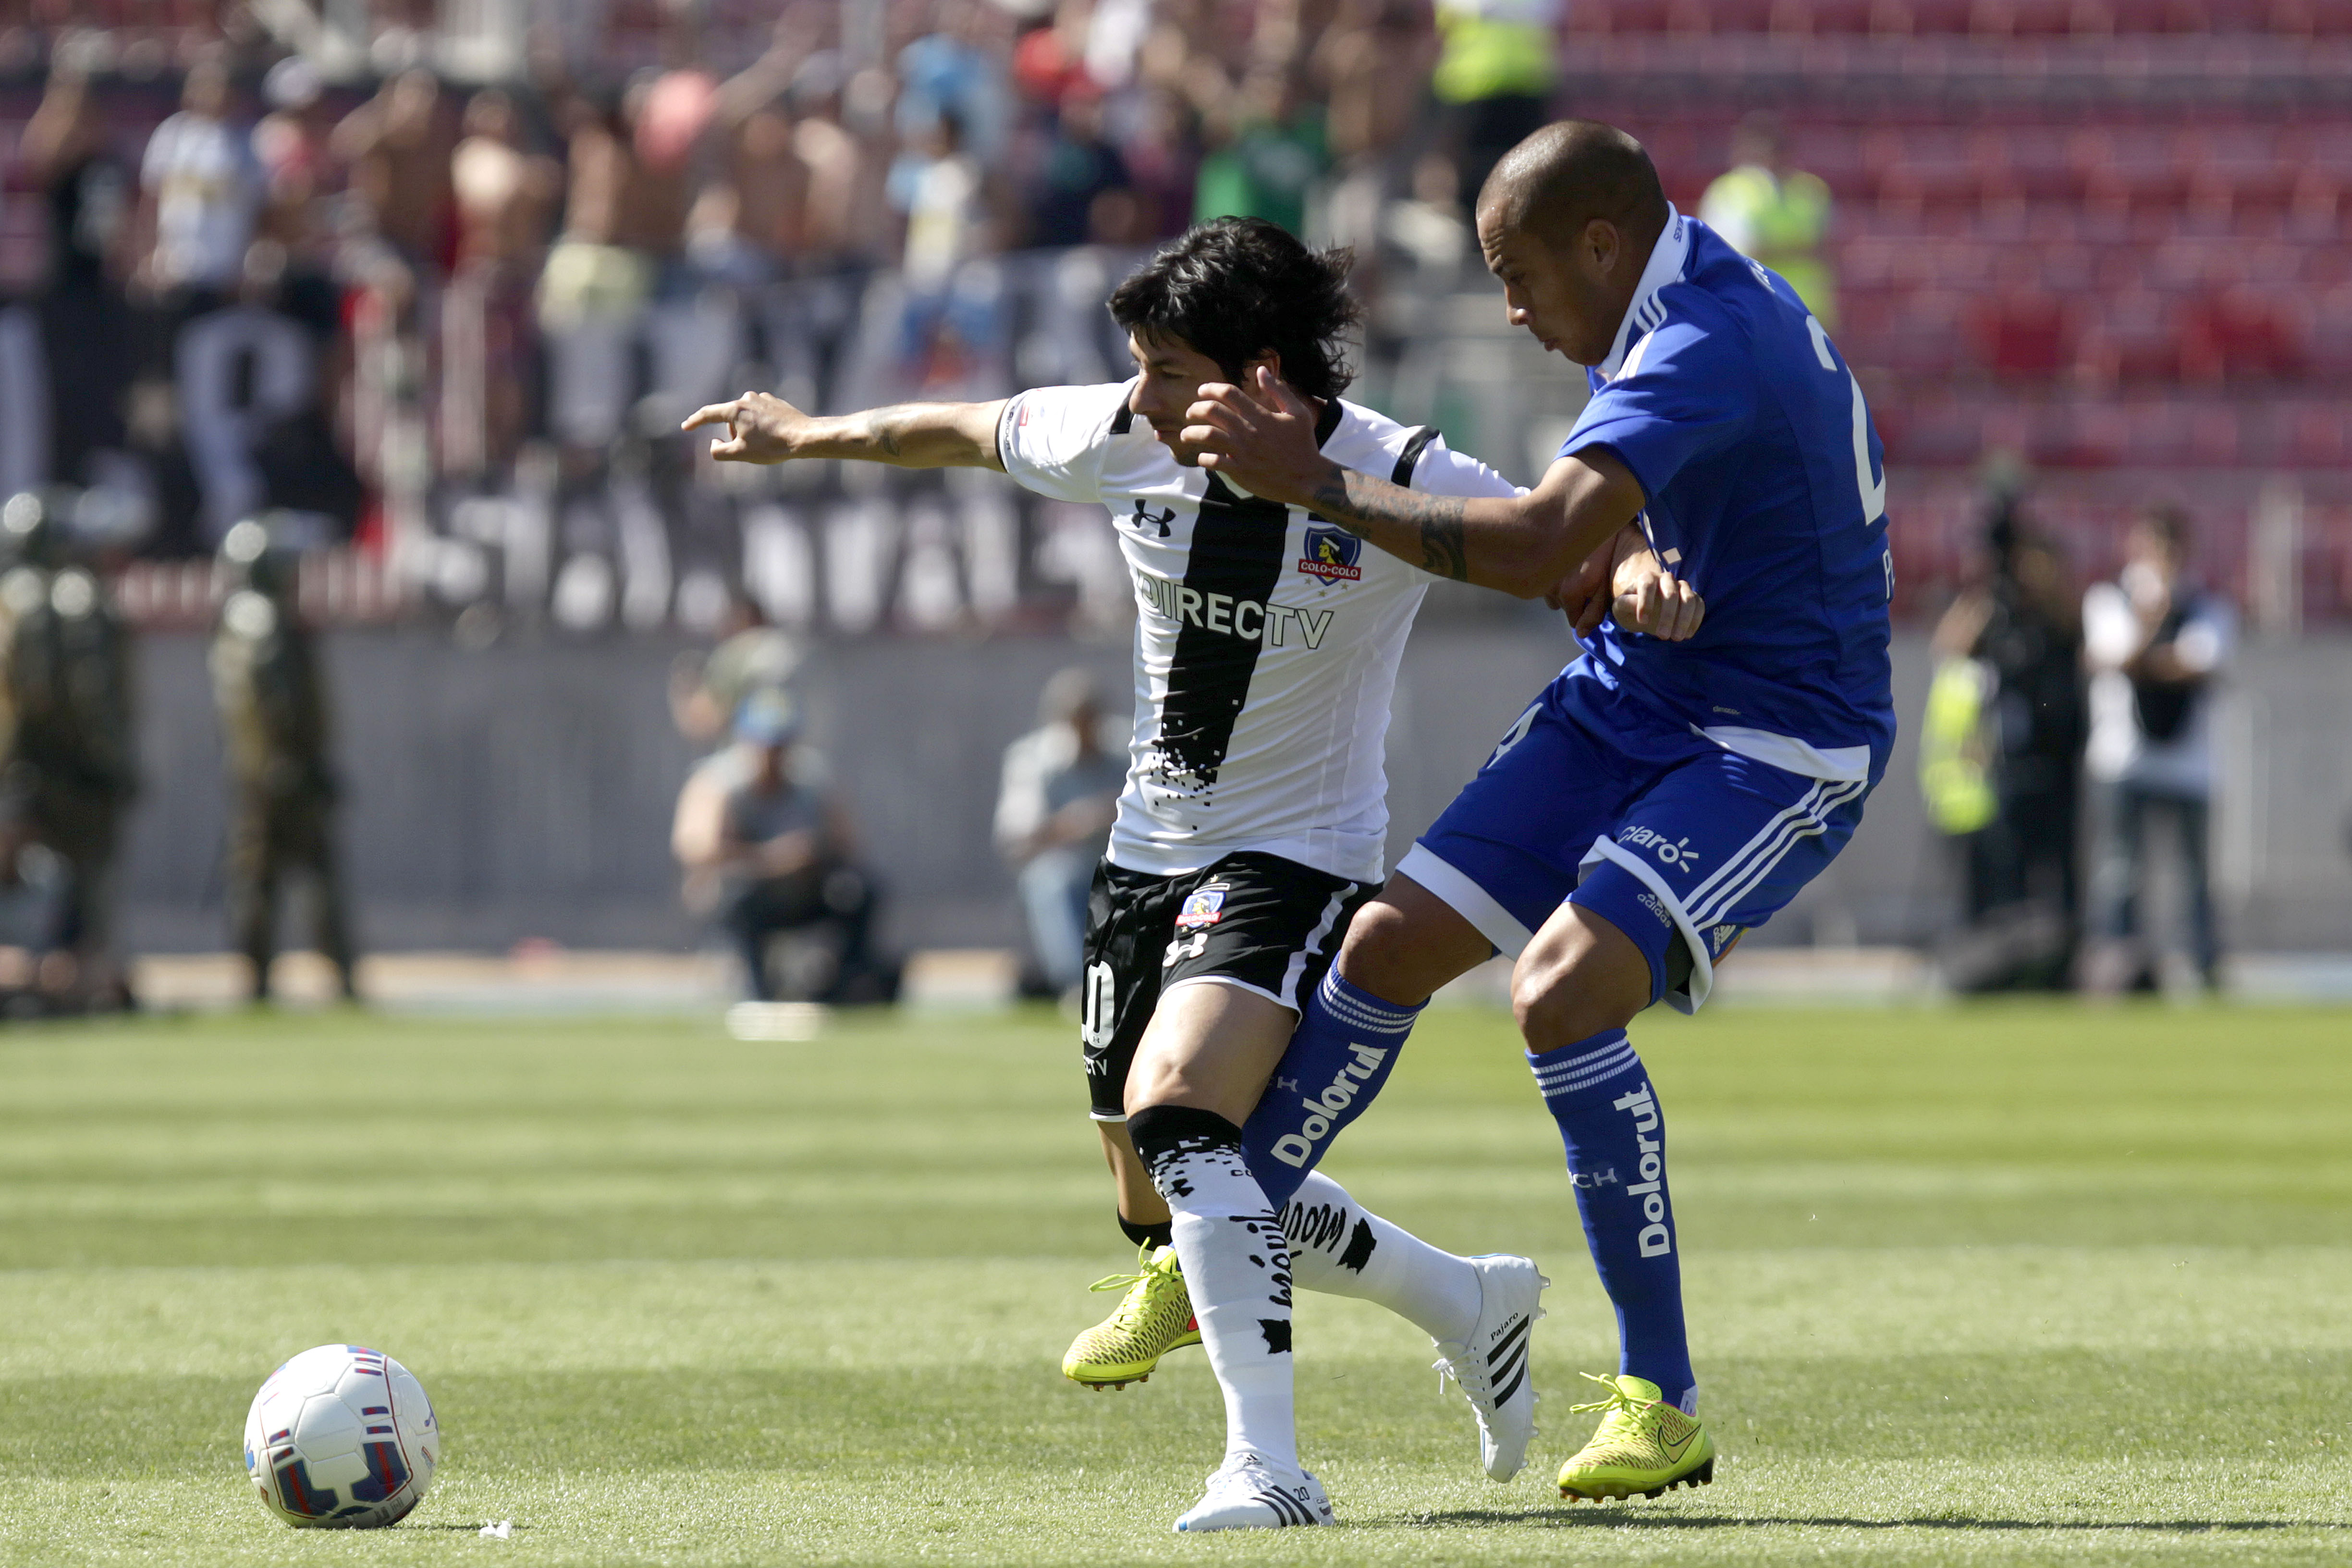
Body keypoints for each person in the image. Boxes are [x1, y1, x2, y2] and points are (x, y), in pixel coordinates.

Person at [685, 216, 1696, 1530]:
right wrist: (802, 435)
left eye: (1168, 370)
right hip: (1142, 859)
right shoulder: (1117, 433)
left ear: (1261, 372)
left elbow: (1539, 532)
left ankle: (1269, 1469)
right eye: (1140, 368)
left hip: (1297, 860)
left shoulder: (1387, 465)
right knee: (1160, 1206)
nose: (1142, 396)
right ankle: (1466, 1298)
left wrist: (1635, 562)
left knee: (1185, 1119)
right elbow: (956, 427)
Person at [1179, 120, 1893, 1505]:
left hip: (1775, 740)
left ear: (1603, 245)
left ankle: (1660, 1399)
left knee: (1560, 991)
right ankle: (1219, 1233)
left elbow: (1528, 543)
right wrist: (1633, 570)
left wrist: (1312, 482)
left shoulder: (1702, 340)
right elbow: (1624, 526)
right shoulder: (1667, 313)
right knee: (1384, 948)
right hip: (1640, 694)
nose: (1509, 308)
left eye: (1520, 274)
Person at [1925, 492, 2084, 991]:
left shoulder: (2057, 619)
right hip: (2007, 769)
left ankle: (2060, 968)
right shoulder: (1994, 612)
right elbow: (1949, 647)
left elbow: (2072, 631)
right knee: (2004, 874)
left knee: (2059, 875)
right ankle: (2001, 966)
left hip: (2058, 763)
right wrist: (1989, 592)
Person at [2082, 505, 2233, 993]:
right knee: (2120, 868)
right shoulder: (2109, 598)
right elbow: (2113, 658)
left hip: (2189, 764)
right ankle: (2120, 966)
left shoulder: (2207, 604)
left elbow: (2201, 665)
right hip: (2123, 757)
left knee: (2194, 874)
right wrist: (2152, 629)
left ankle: (2202, 966)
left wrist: (2145, 661)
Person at [0, 489, 139, 1011]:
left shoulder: (11, 599)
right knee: (74, 887)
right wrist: (107, 762)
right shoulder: (50, 602)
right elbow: (59, 697)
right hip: (47, 772)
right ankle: (65, 989)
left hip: (19, 771)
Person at [209, 516, 358, 1004]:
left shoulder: (240, 620)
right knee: (299, 879)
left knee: (261, 880)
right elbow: (276, 704)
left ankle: (259, 981)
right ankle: (333, 977)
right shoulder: (263, 623)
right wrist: (295, 763)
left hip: (263, 774)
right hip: (284, 775)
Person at [671, 690, 888, 1004]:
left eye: (780, 744)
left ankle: (844, 986)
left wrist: (813, 853)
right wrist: (771, 858)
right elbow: (695, 849)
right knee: (736, 894)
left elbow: (850, 843)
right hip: (745, 892)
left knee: (858, 891)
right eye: (766, 745)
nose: (773, 755)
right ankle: (755, 991)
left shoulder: (811, 778)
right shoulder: (721, 781)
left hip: (802, 890)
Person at [995, 667, 1126, 996]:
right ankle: (1078, 985)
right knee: (1055, 880)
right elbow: (1017, 841)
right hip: (1064, 865)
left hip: (1120, 860)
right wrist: (1076, 822)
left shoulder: (1128, 750)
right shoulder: (1032, 761)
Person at [1699, 112, 1837, 329]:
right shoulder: (1732, 191)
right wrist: (1800, 249)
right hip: (1752, 311)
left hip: (1806, 312)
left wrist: (1776, 248)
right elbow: (1739, 252)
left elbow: (1830, 249)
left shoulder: (1811, 189)